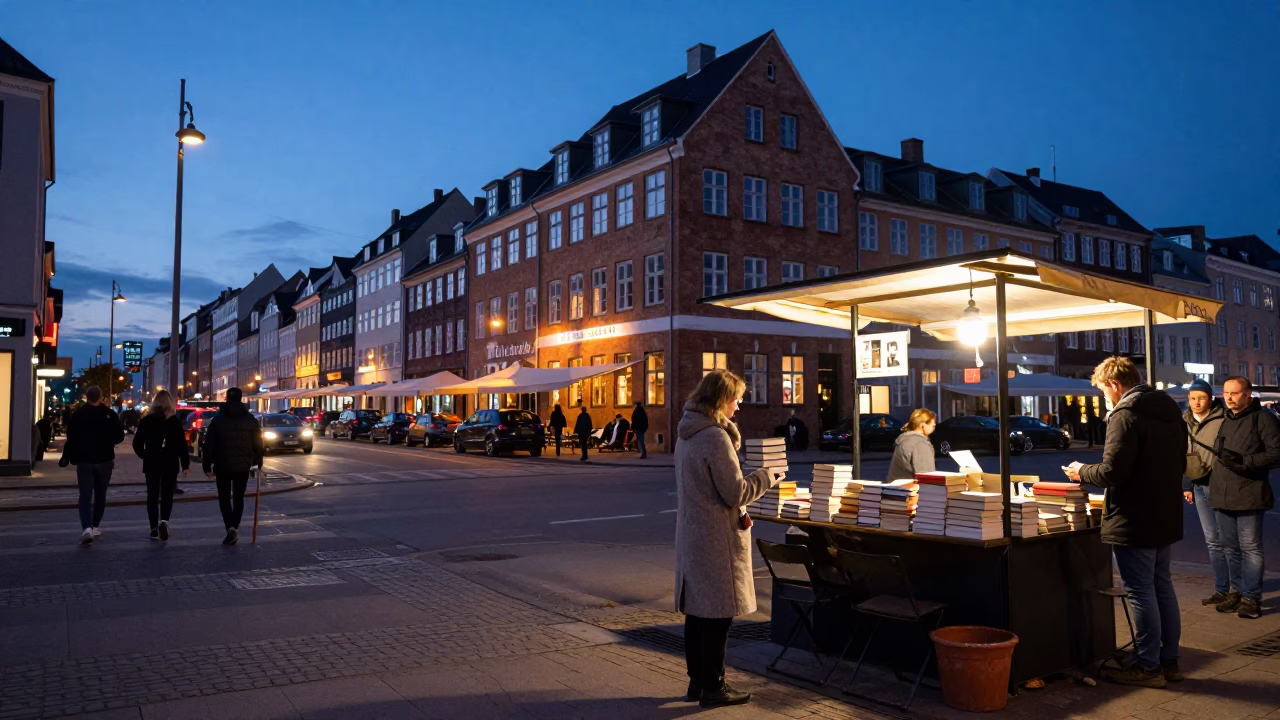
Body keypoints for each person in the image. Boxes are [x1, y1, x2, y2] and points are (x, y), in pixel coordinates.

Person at [1065, 357, 1184, 687]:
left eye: (1103, 390)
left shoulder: (1125, 415)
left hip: (1134, 516)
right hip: (1165, 512)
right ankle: (1169, 660)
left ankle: (1147, 667)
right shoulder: (1170, 411)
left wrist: (1081, 472)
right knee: (1163, 587)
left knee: (1140, 591)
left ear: (1115, 384)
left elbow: (1113, 472)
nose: (1104, 396)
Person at [674, 369, 783, 708]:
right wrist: (768, 475)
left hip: (693, 533)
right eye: (737, 398)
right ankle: (715, 687)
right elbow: (735, 493)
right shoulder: (714, 437)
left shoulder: (686, 433)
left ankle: (698, 682)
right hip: (716, 538)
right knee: (719, 615)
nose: (740, 405)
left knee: (698, 612)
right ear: (721, 401)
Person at [1208, 376, 1280, 620]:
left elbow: (1276, 454)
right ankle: (1236, 593)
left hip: (1249, 491)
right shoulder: (1225, 419)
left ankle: (1251, 598)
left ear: (1248, 394)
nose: (1228, 397)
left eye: (1235, 393)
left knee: (1250, 547)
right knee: (1230, 547)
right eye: (1226, 393)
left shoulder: (1264, 419)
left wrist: (1246, 462)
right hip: (1222, 493)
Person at [1181, 379, 1228, 606]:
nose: (1196, 402)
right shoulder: (1184, 421)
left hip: (1221, 484)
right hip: (1198, 485)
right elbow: (1184, 455)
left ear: (1210, 398)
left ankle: (1237, 589)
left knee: (1229, 539)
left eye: (1201, 397)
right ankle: (1221, 589)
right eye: (1192, 398)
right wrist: (1187, 485)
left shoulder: (1223, 420)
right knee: (1212, 540)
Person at [61, 386, 125, 545]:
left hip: (84, 460)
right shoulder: (109, 414)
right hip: (104, 460)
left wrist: (67, 456)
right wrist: (107, 441)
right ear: (101, 397)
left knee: (85, 494)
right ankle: (95, 525)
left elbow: (71, 437)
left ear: (86, 397)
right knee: (101, 494)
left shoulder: (79, 414)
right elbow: (119, 436)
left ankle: (86, 527)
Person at [201, 387, 264, 545]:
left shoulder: (218, 419)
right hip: (242, 466)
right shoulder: (250, 419)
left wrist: (207, 466)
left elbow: (209, 445)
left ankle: (230, 527)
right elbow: (258, 443)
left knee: (224, 498)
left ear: (227, 398)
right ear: (241, 398)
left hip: (222, 465)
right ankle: (234, 527)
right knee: (238, 497)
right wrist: (258, 463)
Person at [132, 390, 190, 541]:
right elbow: (182, 445)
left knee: (152, 495)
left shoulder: (146, 421)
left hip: (152, 461)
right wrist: (185, 464)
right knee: (167, 494)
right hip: (170, 462)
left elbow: (137, 442)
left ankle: (153, 528)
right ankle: (164, 521)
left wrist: (144, 455)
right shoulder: (175, 422)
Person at [887, 408, 936, 480]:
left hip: (897, 488)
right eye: (933, 426)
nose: (934, 428)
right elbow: (927, 476)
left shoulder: (904, 440)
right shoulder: (919, 444)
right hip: (912, 489)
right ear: (922, 426)